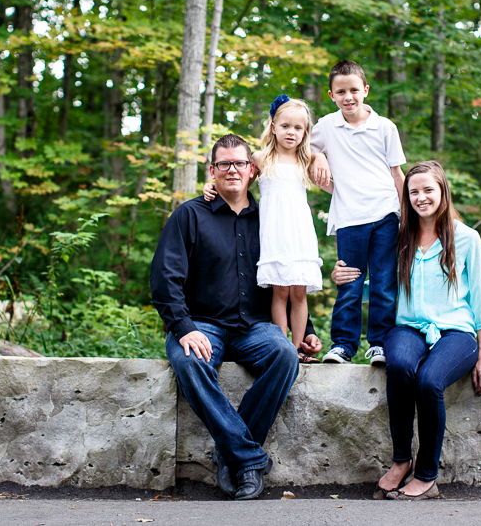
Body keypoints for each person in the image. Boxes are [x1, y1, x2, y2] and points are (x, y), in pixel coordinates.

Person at [150, 134, 323, 500]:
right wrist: (183, 328)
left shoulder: (271, 216)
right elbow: (165, 279)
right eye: (223, 164)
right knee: (189, 360)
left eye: (239, 163)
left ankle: (233, 456)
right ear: (211, 171)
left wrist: (303, 330)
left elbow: (289, 273)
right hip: (203, 324)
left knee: (283, 355)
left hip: (257, 326)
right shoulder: (189, 215)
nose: (232, 170)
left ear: (253, 170)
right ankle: (248, 460)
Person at [373, 161, 481, 500]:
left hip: (457, 333)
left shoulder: (467, 239)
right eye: (414, 191)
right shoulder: (401, 237)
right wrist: (346, 275)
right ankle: (401, 460)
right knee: (398, 365)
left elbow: (480, 304)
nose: (421, 197)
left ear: (442, 191)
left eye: (428, 190)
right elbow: (379, 285)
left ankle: (426, 476)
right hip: (409, 328)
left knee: (428, 380)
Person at [204, 96, 324, 363]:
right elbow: (236, 179)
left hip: (299, 231)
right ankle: (282, 348)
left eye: (298, 128)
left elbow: (320, 158)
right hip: (273, 231)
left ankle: (297, 347)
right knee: (280, 290)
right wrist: (211, 185)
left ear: (305, 132)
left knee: (299, 291)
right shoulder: (261, 158)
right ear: (273, 127)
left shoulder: (305, 159)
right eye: (285, 126)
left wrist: (322, 156)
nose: (291, 132)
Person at [310, 60, 407, 366]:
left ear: (365, 90)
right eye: (341, 92)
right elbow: (302, 149)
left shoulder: (385, 127)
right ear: (331, 95)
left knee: (383, 282)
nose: (348, 96)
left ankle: (379, 344)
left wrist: (408, 216)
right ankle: (343, 345)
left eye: (354, 89)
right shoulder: (326, 126)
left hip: (386, 214)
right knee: (349, 282)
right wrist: (318, 155)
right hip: (350, 218)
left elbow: (397, 175)